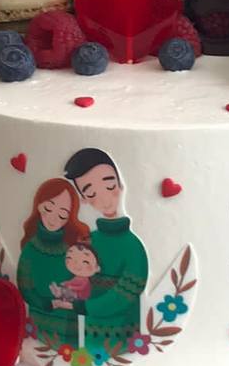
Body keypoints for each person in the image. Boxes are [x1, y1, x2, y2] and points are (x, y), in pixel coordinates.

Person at [60, 148, 149, 352]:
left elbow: (126, 292)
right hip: (89, 332)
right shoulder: (88, 241)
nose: (104, 198)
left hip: (123, 335)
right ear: (83, 199)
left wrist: (86, 307)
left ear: (121, 185)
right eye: (91, 193)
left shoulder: (133, 246)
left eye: (110, 186)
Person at [15, 178, 89, 346]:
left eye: (62, 214)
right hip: (39, 325)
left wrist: (74, 301)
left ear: (70, 216)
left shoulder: (72, 250)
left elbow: (84, 284)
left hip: (69, 327)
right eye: (48, 208)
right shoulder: (30, 250)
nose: (53, 218)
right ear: (39, 205)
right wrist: (49, 303)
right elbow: (26, 289)